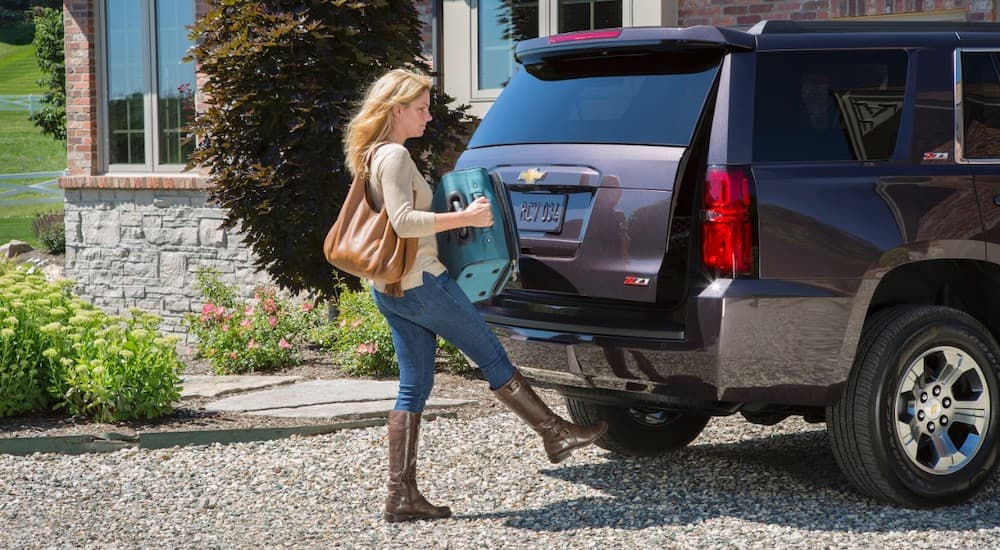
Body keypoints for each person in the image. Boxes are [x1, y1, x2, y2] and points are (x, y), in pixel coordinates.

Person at [343, 68, 607, 523]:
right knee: (491, 356)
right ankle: (555, 433)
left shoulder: (371, 155)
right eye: (421, 108)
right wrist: (468, 218)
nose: (427, 116)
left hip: (392, 288)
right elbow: (403, 223)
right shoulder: (395, 157)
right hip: (422, 284)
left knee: (415, 385)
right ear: (397, 109)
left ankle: (401, 496)